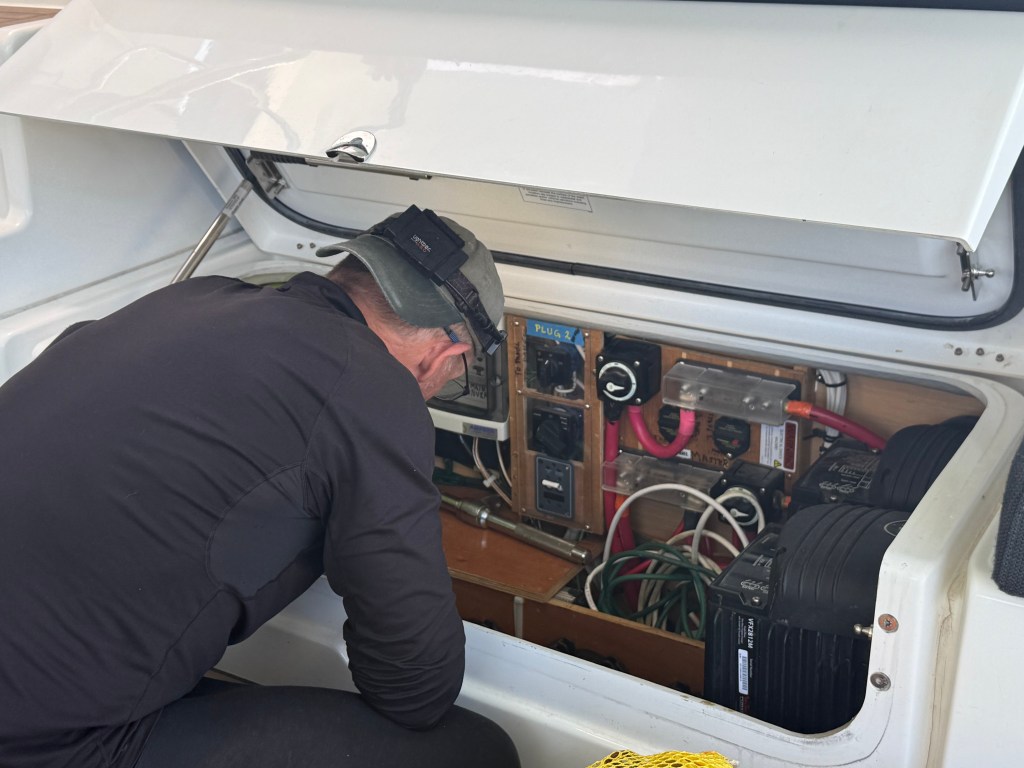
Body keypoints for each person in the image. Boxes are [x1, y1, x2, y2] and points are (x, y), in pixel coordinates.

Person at [0, 206, 520, 768]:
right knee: (475, 751)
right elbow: (414, 687)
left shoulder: (190, 298)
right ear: (444, 356)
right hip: (43, 743)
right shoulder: (373, 387)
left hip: (27, 685)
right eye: (452, 380)